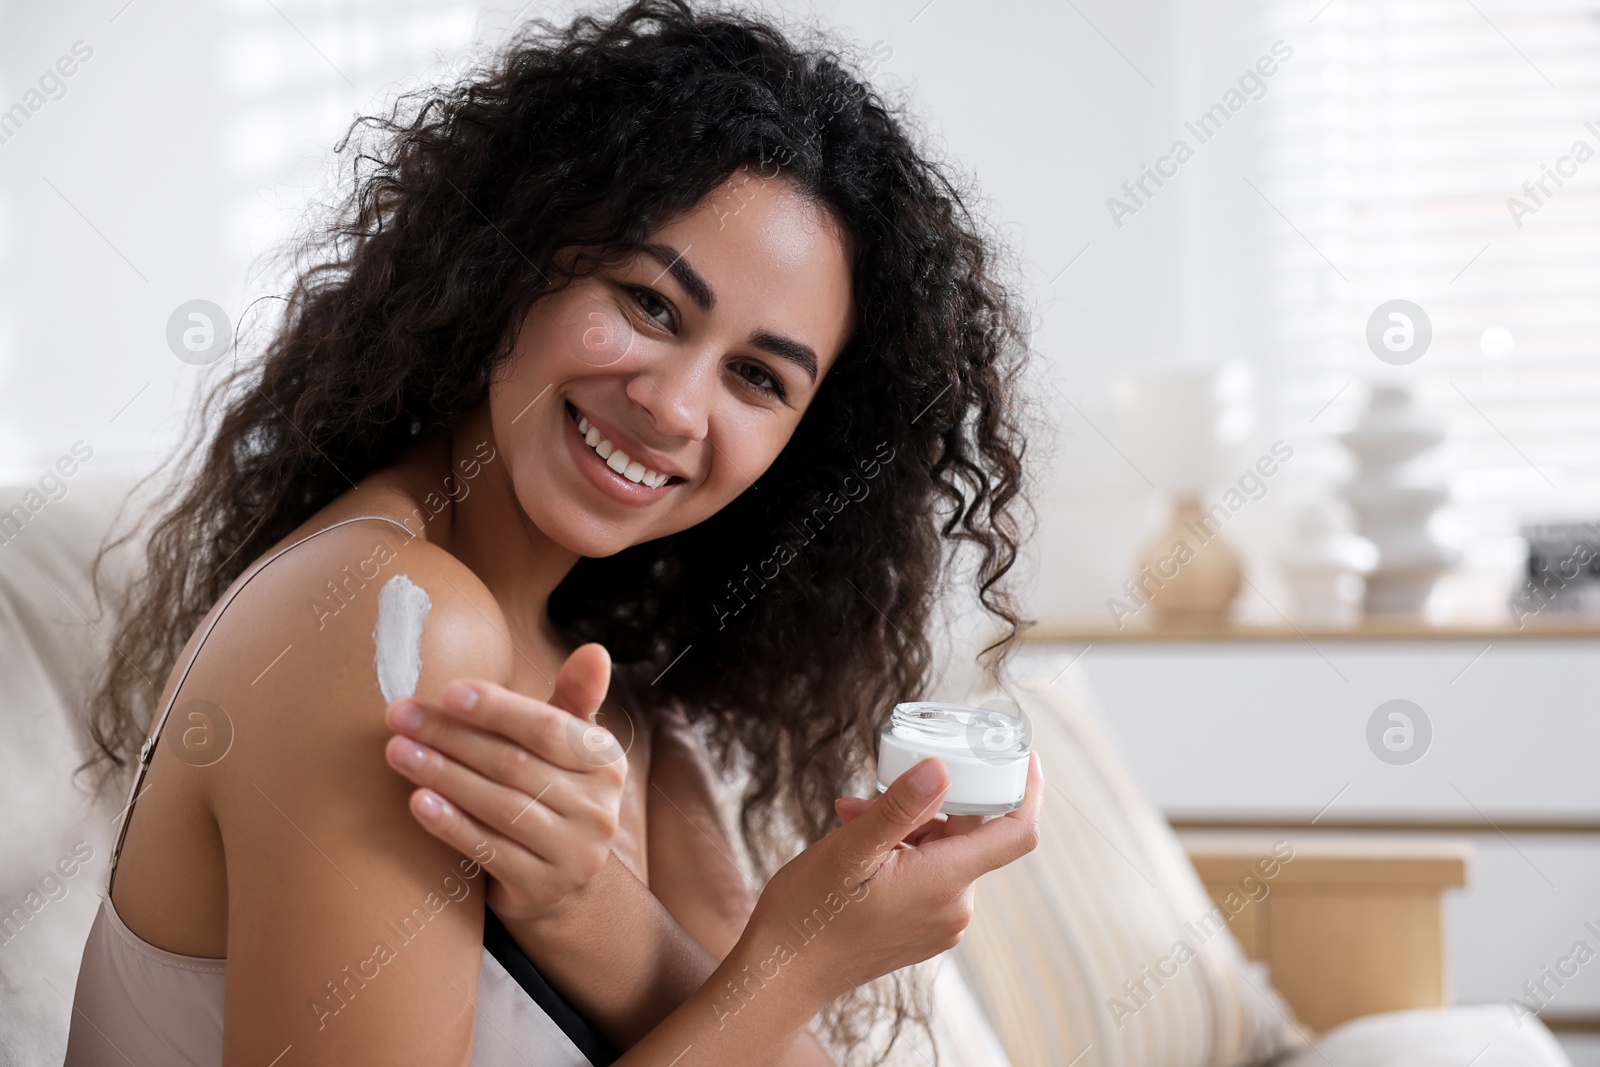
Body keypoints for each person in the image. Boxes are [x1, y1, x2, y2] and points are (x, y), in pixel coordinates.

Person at [70, 2, 1039, 1063]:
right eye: (650, 303)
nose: (673, 406)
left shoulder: (631, 730)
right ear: (517, 256)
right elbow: (760, 1006)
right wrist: (800, 959)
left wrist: (590, 908)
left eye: (757, 377)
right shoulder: (382, 622)